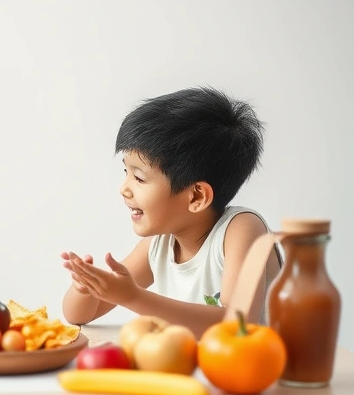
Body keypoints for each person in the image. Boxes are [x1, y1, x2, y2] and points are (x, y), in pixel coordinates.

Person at [61, 87, 281, 337]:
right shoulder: (159, 244)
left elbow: (238, 325)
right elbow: (78, 316)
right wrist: (84, 288)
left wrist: (133, 297)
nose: (124, 189)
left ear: (197, 196)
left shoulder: (242, 229)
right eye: (126, 172)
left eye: (139, 178)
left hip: (262, 361)